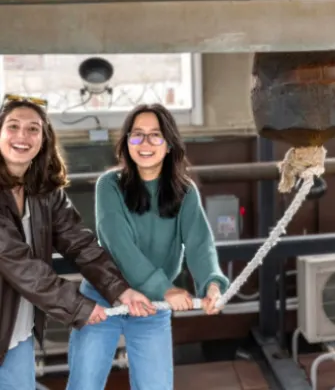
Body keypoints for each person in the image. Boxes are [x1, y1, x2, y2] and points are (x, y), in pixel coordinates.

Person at [67, 103, 230, 390]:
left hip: (153, 305)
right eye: (137, 135)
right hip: (103, 296)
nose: (145, 143)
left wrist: (211, 284)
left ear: (168, 144)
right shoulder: (109, 185)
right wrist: (165, 288)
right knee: (84, 384)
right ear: (126, 142)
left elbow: (199, 243)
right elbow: (119, 245)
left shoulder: (185, 191)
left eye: (155, 135)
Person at [0, 94, 156, 390]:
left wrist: (121, 289)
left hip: (15, 329)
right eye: (13, 126)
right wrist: (78, 306)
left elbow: (80, 243)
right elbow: (17, 263)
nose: (23, 136)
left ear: (44, 139)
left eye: (33, 129)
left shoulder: (45, 192)